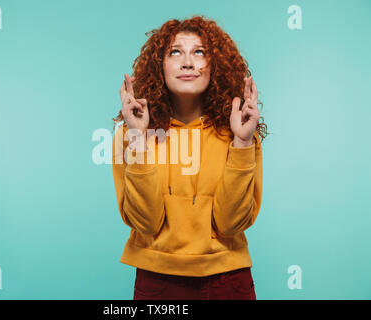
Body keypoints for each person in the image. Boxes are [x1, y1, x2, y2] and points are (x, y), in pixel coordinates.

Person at [111, 15, 268, 300]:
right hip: (156, 280)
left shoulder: (239, 133)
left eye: (199, 52)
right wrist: (137, 137)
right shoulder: (131, 134)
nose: (187, 62)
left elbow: (231, 224)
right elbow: (145, 223)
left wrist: (242, 141)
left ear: (215, 65)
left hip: (228, 280)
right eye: (175, 52)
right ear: (159, 66)